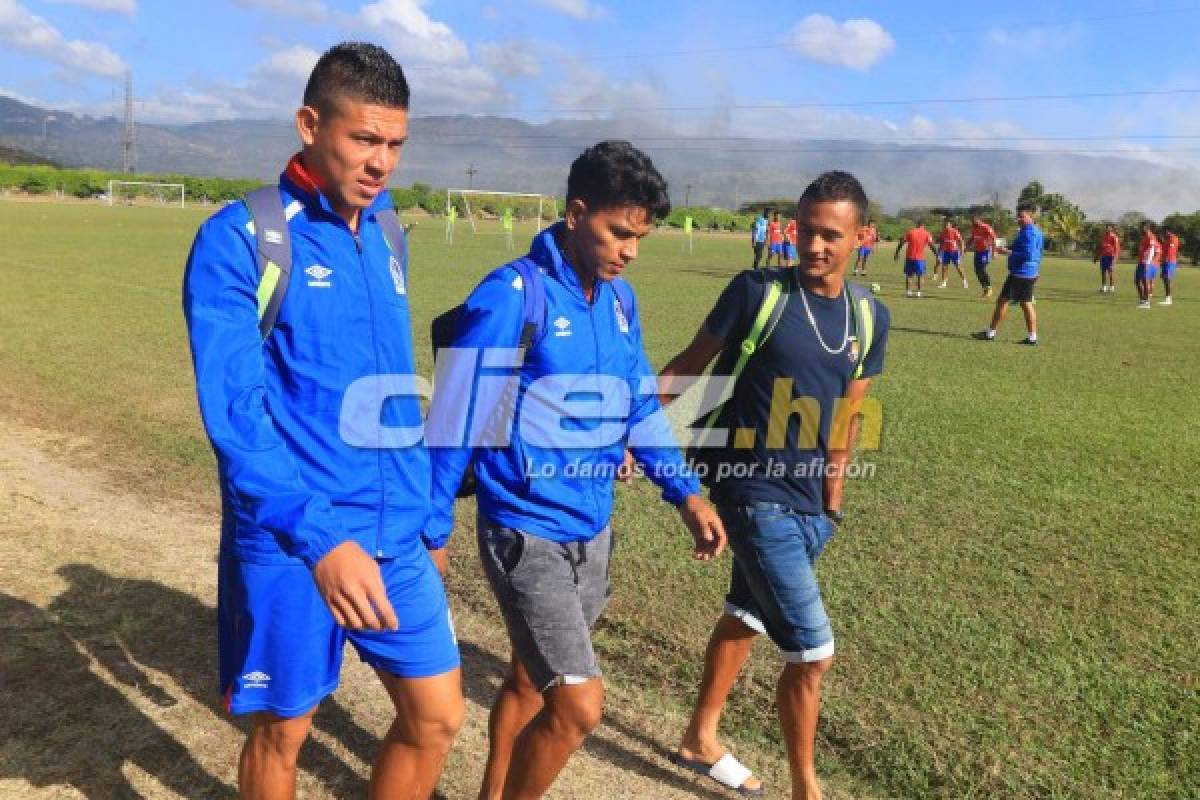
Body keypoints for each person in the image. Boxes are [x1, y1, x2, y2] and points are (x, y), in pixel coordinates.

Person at [182, 42, 463, 800]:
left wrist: (427, 522)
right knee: (285, 731)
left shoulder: (388, 231)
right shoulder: (241, 239)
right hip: (293, 539)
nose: (382, 162)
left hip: (394, 534)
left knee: (437, 716)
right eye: (364, 139)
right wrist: (317, 538)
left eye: (395, 144)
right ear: (310, 123)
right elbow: (237, 415)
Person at [425, 140, 727, 800]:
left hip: (593, 532)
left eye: (640, 237)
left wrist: (685, 493)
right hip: (524, 530)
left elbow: (638, 403)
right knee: (579, 706)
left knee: (533, 682)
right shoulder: (513, 295)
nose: (630, 250)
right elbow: (456, 416)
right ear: (575, 213)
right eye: (619, 232)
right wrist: (434, 529)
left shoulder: (619, 302)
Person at [661, 171, 890, 800]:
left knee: (747, 616)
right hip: (750, 490)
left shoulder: (870, 316)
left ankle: (698, 738)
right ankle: (806, 789)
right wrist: (649, 451)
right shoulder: (758, 292)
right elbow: (688, 368)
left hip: (810, 506)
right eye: (806, 231)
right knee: (813, 654)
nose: (814, 246)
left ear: (860, 238)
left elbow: (850, 414)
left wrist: (833, 502)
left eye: (830, 236)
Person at [972, 202, 1043, 344]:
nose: (1018, 219)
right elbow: (1034, 252)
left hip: (1021, 274)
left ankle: (990, 333)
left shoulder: (1029, 233)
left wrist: (1007, 252)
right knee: (1025, 303)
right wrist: (1008, 248)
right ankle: (1032, 337)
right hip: (1028, 272)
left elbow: (1027, 254)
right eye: (1018, 216)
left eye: (1021, 217)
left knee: (1003, 301)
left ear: (1031, 216)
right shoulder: (1034, 231)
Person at [892, 220, 938, 297]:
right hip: (920, 258)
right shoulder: (926, 234)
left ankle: (909, 292)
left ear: (917, 225)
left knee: (909, 275)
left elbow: (902, 242)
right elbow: (932, 245)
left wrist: (897, 253)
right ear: (923, 226)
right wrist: (937, 255)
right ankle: (918, 293)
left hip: (909, 257)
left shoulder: (910, 232)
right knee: (920, 275)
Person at [1135, 220, 1161, 309]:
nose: (1140, 229)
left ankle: (1146, 302)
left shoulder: (1151, 237)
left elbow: (1151, 250)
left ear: (1146, 227)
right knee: (1137, 281)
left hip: (1146, 263)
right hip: (1141, 262)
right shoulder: (1144, 237)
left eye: (1141, 227)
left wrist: (1147, 263)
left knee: (1145, 281)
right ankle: (1142, 299)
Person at [969, 215, 997, 297]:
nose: (973, 223)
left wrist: (993, 251)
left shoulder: (986, 227)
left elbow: (994, 238)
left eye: (975, 221)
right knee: (977, 271)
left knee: (981, 268)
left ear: (979, 220)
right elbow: (972, 238)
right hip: (977, 252)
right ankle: (985, 288)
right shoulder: (974, 228)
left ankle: (989, 287)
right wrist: (967, 246)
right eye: (972, 221)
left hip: (985, 251)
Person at [936, 218, 968, 289]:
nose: (945, 226)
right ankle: (944, 283)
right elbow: (941, 243)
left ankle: (965, 282)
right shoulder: (943, 233)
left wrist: (962, 251)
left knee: (958, 267)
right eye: (945, 225)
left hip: (955, 252)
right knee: (944, 267)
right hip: (946, 252)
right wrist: (939, 253)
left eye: (947, 225)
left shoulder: (955, 232)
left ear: (950, 225)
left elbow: (961, 241)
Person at [1094, 222, 1120, 294]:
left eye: (1108, 227)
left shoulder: (1114, 237)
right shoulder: (1104, 236)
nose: (1107, 228)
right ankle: (1104, 287)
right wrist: (1096, 257)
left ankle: (1112, 288)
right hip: (1104, 256)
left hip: (1111, 256)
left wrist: (1114, 259)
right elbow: (1101, 247)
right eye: (1106, 227)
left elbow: (1117, 249)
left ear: (1112, 228)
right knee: (1103, 272)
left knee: (1110, 272)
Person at [1160, 225, 1180, 305]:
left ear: (1169, 231)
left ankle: (1168, 299)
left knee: (1167, 279)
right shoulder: (1167, 240)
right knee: (1165, 279)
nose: (1164, 233)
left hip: (1170, 261)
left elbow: (1170, 252)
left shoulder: (1173, 239)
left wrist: (1166, 261)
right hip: (1166, 262)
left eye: (1165, 231)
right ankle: (1167, 298)